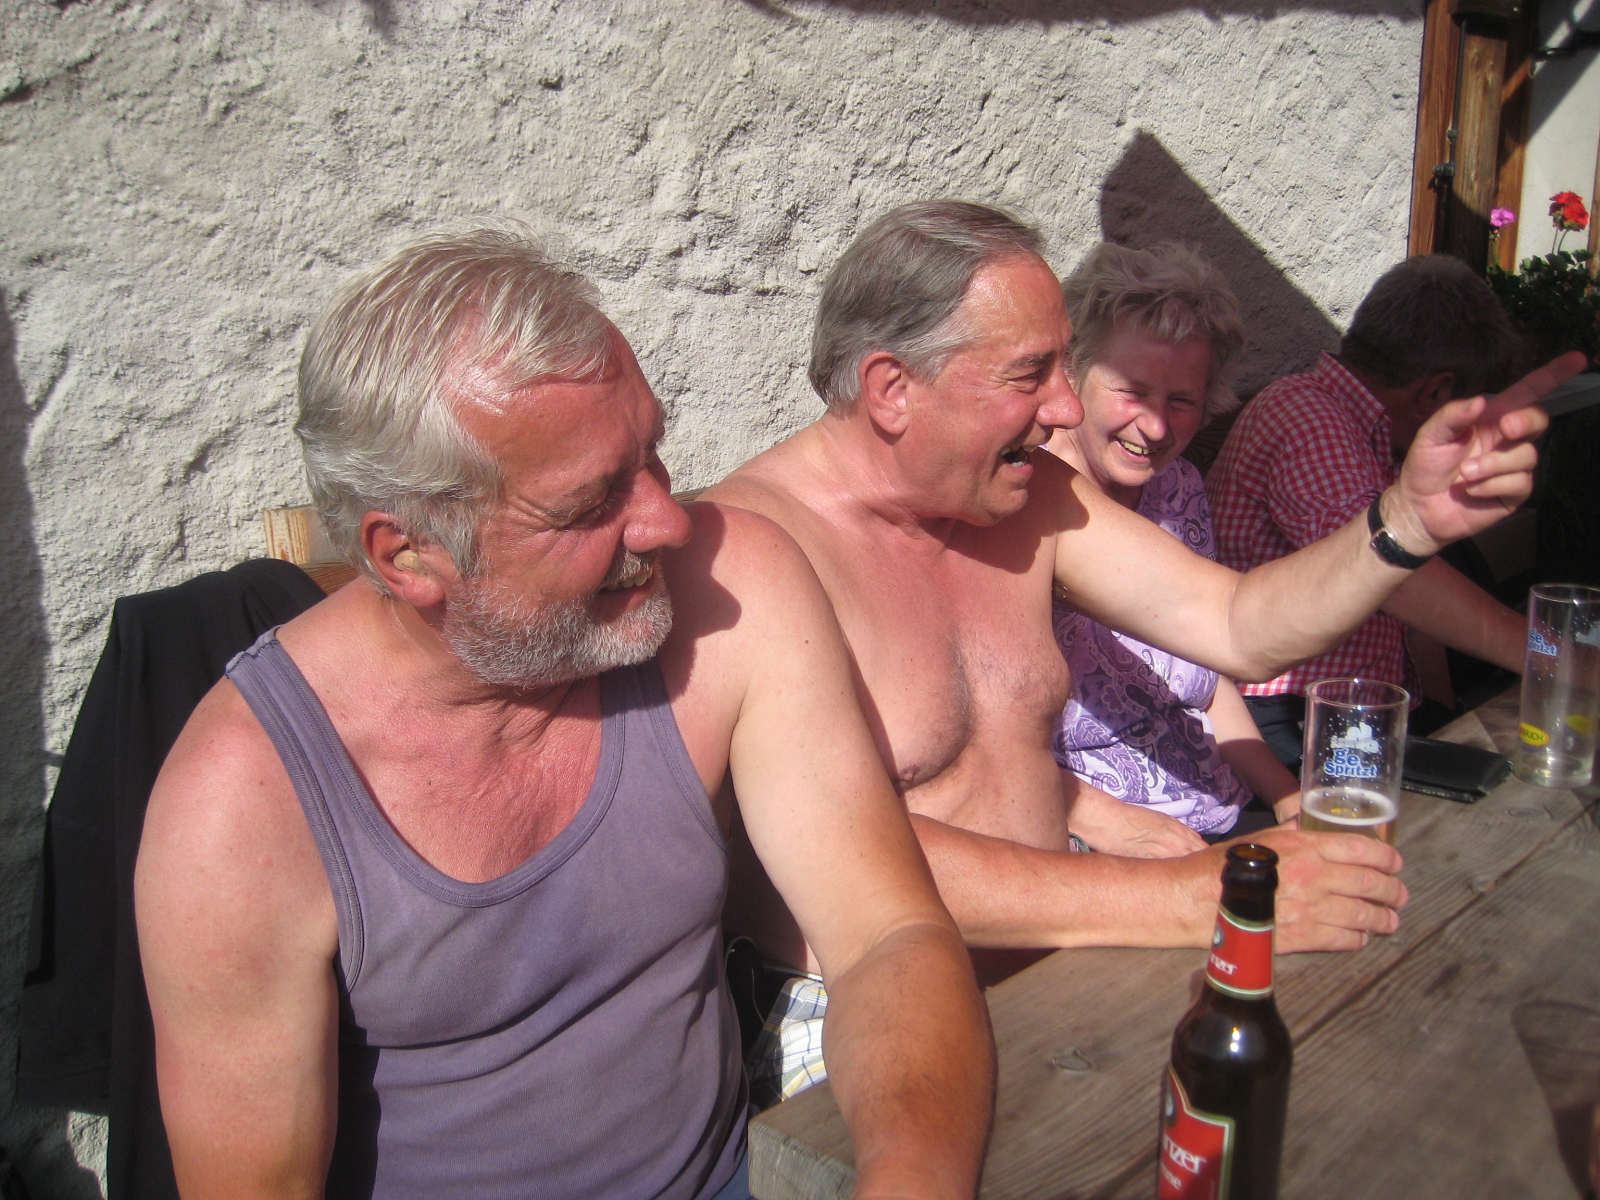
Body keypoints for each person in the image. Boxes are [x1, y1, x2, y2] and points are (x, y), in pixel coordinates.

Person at [133, 230, 994, 1200]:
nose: (666, 520)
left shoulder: (730, 590)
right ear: (408, 556)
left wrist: (910, 1178)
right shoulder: (243, 807)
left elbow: (885, 937)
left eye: (651, 451)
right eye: (589, 505)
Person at [708, 198, 1578, 971]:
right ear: (892, 389)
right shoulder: (752, 553)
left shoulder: (1027, 500)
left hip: (1063, 968)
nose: (1064, 408)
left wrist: (1405, 521)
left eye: (1065, 366)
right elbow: (833, 850)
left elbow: (1234, 623)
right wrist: (1185, 896)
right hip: (861, 1013)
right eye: (1031, 373)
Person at [1206, 254, 1532, 770]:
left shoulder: (1378, 434)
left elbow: (1410, 608)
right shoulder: (1306, 413)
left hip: (1355, 710)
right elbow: (1395, 572)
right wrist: (1554, 659)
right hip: (1279, 718)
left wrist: (1442, 716)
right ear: (1435, 391)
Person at [1044, 242, 1300, 859]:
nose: (1156, 428)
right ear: (1073, 371)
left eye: (1181, 400)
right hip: (1093, 837)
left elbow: (1208, 684)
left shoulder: (1177, 486)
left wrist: (1290, 798)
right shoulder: (1025, 501)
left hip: (1215, 807)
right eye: (1133, 391)